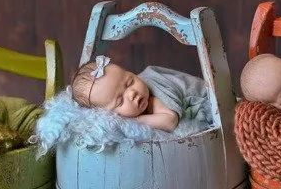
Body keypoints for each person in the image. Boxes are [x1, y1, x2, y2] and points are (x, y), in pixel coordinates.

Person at [70, 56, 212, 132]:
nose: (132, 93)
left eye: (130, 82)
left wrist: (134, 121)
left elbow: (171, 121)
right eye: (120, 101)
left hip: (208, 99)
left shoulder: (153, 98)